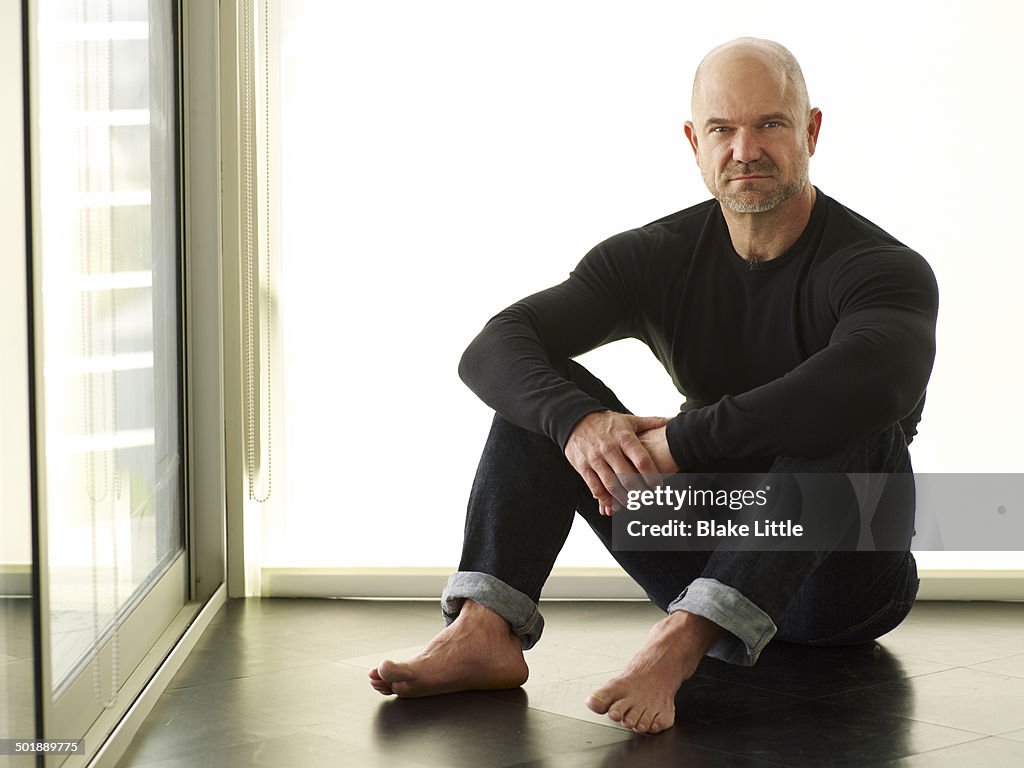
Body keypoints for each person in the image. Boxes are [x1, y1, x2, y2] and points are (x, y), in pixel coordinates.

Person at [369, 37, 938, 735]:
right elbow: (494, 345)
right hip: (697, 544)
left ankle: (682, 641)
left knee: (851, 407)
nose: (744, 149)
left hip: (841, 586)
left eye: (770, 124)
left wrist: (679, 442)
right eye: (723, 130)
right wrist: (580, 425)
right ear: (694, 142)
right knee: (550, 396)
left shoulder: (881, 268)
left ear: (811, 131)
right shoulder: (656, 256)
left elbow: (877, 377)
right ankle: (486, 628)